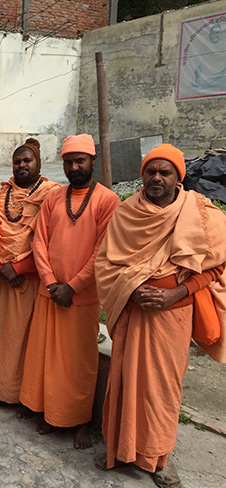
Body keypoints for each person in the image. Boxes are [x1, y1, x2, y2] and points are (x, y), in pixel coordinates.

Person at [94, 143, 226, 487]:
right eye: (151, 171)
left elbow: (217, 267)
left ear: (177, 178)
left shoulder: (201, 213)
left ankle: (158, 458)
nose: (156, 178)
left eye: (164, 172)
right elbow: (106, 264)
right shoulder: (125, 213)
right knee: (122, 383)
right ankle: (119, 450)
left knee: (162, 392)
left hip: (173, 317)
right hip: (132, 313)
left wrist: (175, 293)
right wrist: (133, 289)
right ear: (142, 175)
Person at [19, 134, 120, 448]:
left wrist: (72, 287)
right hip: (50, 293)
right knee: (46, 357)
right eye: (68, 162)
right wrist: (51, 283)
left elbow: (102, 252)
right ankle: (50, 414)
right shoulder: (54, 197)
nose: (74, 167)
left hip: (83, 297)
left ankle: (78, 421)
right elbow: (39, 242)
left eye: (80, 161)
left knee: (79, 362)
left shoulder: (107, 200)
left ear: (92, 161)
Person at [0, 138, 60, 416]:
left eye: (27, 161)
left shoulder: (52, 195)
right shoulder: (1, 194)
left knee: (26, 340)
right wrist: (0, 266)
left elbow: (52, 241)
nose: (22, 165)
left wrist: (21, 268)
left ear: (39, 163)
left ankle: (22, 397)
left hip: (31, 278)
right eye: (18, 161)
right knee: (0, 337)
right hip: (2, 277)